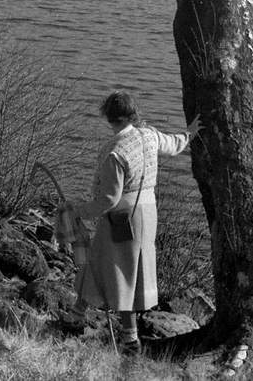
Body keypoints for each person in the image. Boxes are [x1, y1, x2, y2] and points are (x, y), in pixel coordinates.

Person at [70, 91, 201, 353]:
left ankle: (128, 339)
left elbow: (108, 199)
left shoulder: (115, 152)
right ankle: (77, 317)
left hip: (121, 217)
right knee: (124, 270)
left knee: (117, 272)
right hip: (148, 214)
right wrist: (190, 133)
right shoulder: (149, 135)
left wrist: (79, 212)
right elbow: (174, 145)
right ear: (132, 114)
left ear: (108, 116)